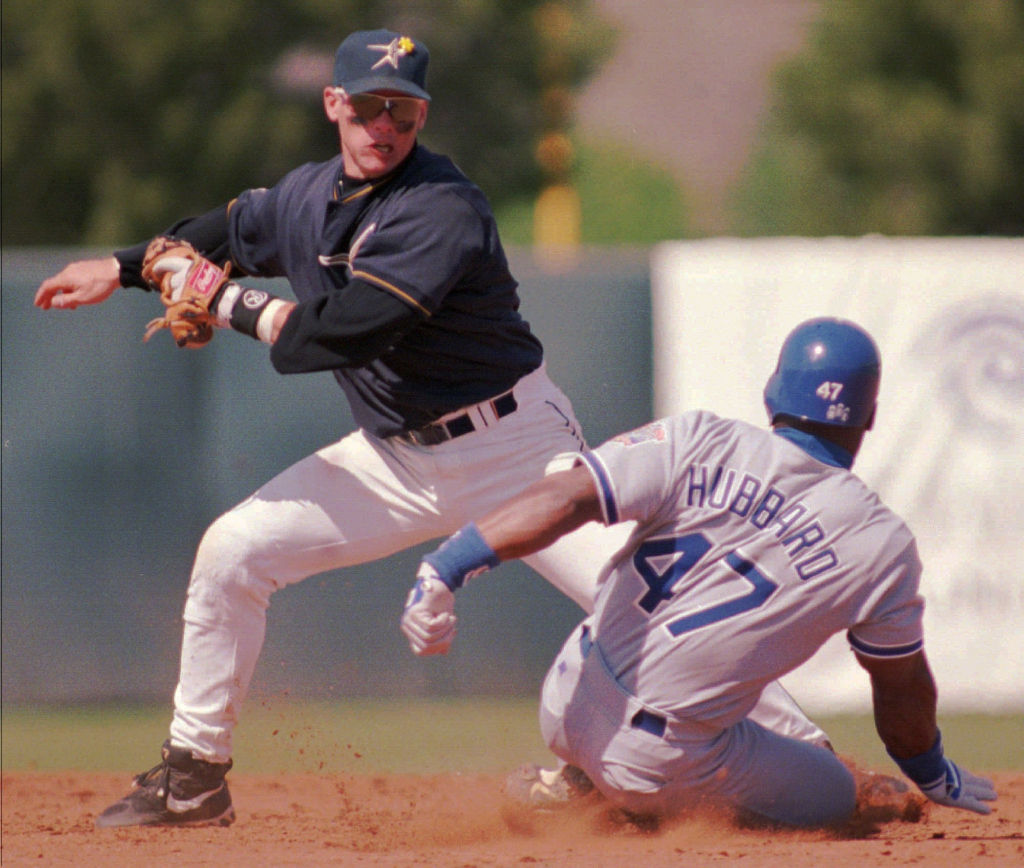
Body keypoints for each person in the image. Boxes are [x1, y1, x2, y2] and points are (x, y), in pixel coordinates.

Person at [34, 27, 825, 828]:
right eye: (371, 107)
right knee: (233, 551)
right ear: (333, 104)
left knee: (657, 602)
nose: (386, 126)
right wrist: (126, 266)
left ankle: (817, 760)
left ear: (421, 118)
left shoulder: (441, 207)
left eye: (404, 113)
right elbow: (231, 228)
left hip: (518, 450)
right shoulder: (306, 198)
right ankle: (193, 778)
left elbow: (337, 334)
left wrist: (224, 298)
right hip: (394, 459)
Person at [401, 317, 998, 828]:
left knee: (707, 693)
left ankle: (584, 780)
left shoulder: (698, 436)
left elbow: (564, 498)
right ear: (868, 417)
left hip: (565, 695)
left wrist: (446, 566)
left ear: (773, 394)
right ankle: (628, 802)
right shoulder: (881, 543)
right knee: (845, 792)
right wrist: (929, 768)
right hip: (660, 761)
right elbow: (901, 692)